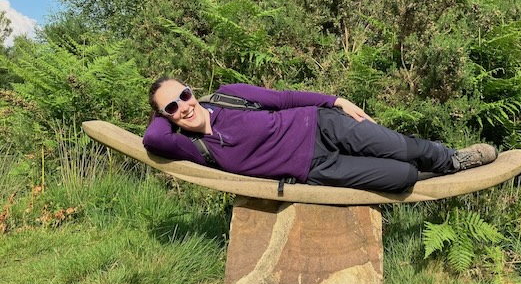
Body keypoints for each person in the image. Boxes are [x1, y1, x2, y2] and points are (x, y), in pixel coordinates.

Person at [143, 77, 498, 193]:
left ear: (193, 90)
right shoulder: (190, 145)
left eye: (184, 95)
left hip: (321, 125)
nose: (184, 107)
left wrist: (336, 100)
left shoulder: (229, 95)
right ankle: (428, 171)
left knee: (400, 145)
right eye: (171, 108)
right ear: (164, 117)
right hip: (314, 169)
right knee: (402, 175)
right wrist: (163, 115)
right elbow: (152, 139)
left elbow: (284, 98)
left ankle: (451, 159)